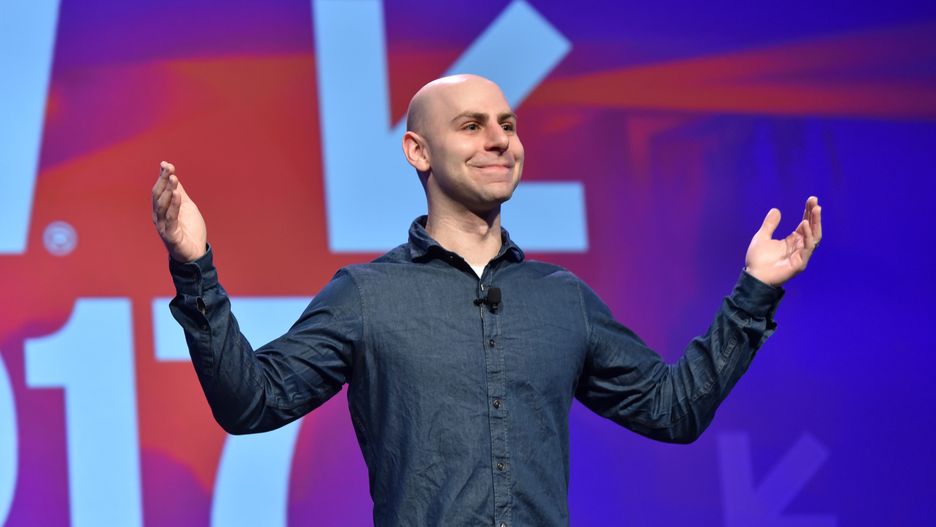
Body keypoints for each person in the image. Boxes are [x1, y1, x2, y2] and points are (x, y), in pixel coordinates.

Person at [151, 74, 822, 527]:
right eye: (472, 126)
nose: (500, 140)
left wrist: (755, 290)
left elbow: (673, 410)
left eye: (508, 124)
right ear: (418, 151)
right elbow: (252, 403)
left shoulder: (562, 298)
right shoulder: (366, 296)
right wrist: (193, 266)